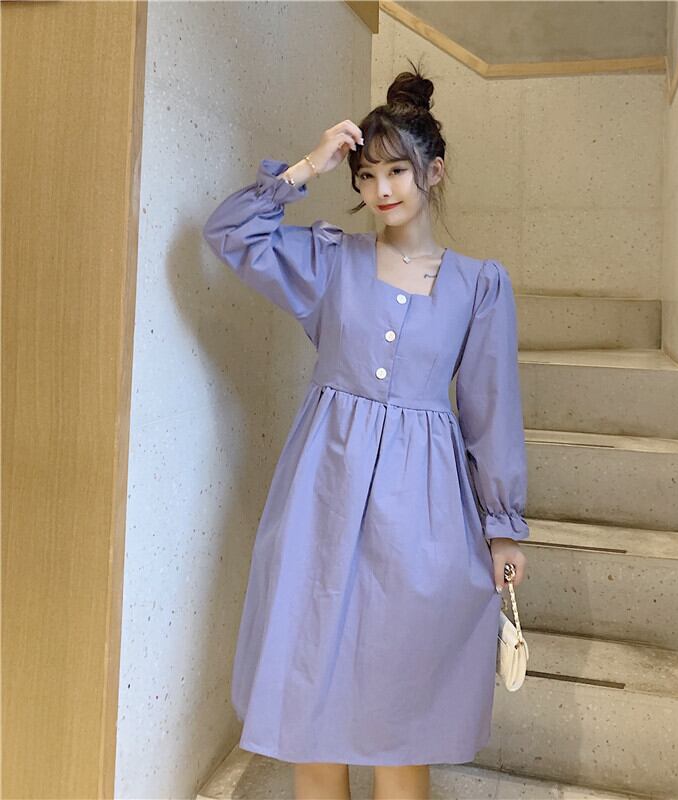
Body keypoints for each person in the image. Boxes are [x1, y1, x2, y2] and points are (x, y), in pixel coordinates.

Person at [202, 61, 529, 800]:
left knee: (399, 719)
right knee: (310, 711)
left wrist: (503, 528)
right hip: (322, 498)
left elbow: (491, 411)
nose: (382, 189)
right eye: (367, 174)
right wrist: (307, 166)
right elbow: (229, 233)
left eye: (398, 171)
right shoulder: (329, 261)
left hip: (425, 516)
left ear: (433, 173)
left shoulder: (478, 285)